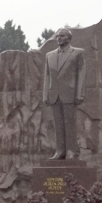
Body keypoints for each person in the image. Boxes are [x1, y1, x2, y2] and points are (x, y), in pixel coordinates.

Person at [43, 27, 86, 160]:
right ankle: (60, 151)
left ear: (68, 38)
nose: (58, 38)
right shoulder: (49, 55)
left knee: (69, 124)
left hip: (70, 94)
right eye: (57, 36)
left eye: (61, 36)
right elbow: (47, 76)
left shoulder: (78, 53)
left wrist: (80, 93)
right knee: (58, 125)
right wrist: (45, 95)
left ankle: (72, 151)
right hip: (54, 95)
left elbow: (82, 73)